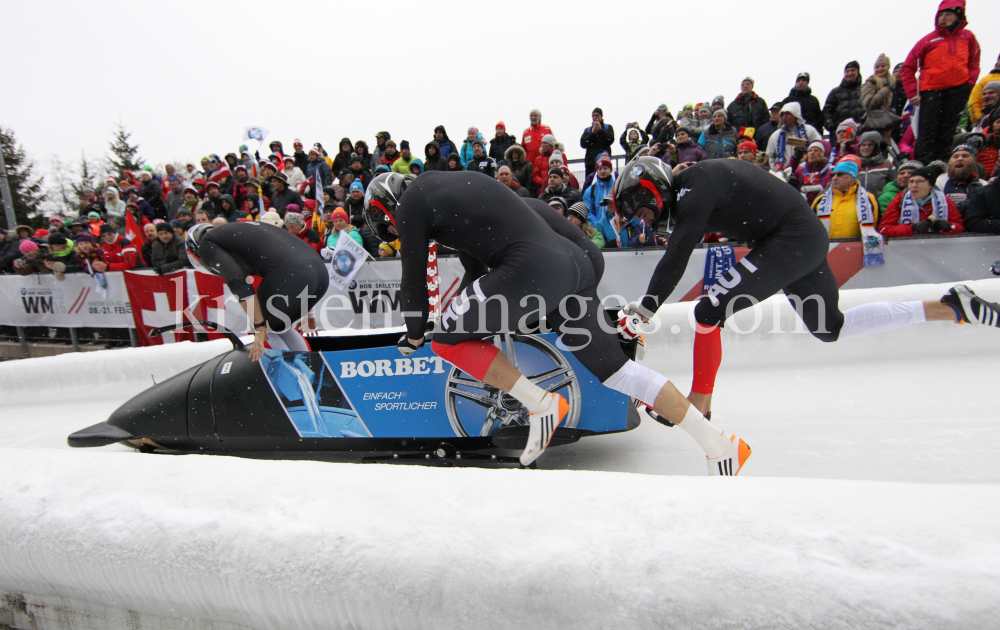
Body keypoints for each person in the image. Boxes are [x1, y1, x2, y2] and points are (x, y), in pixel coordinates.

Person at [363, 170, 752, 473]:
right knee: (619, 373)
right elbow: (477, 270)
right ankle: (720, 444)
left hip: (531, 268)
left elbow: (412, 277)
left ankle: (541, 403)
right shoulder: (457, 191)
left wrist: (415, 332)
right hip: (574, 266)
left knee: (444, 341)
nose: (397, 234)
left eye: (390, 228)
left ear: (388, 207)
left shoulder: (413, 202)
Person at [614, 156, 1000, 428]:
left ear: (653, 188)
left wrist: (646, 309)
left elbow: (676, 255)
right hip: (800, 236)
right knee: (831, 326)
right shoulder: (695, 187)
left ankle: (700, 406)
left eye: (643, 212)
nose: (645, 223)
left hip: (790, 237)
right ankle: (949, 306)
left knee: (708, 311)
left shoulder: (693, 189)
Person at [185, 222, 329, 360]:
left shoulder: (207, 244)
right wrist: (309, 312)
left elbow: (237, 280)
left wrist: (259, 328)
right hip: (320, 274)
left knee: (264, 326)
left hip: (294, 274)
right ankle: (308, 371)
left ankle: (290, 376)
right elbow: (296, 257)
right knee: (279, 326)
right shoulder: (237, 230)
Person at [901, 1, 981, 164]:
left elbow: (974, 61)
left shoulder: (968, 37)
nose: (943, 18)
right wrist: (912, 93)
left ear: (958, 16)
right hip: (931, 92)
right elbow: (908, 67)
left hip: (958, 90)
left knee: (948, 131)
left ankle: (942, 166)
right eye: (941, 15)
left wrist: (969, 83)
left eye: (948, 14)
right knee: (927, 132)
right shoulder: (927, 41)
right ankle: (922, 167)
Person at [879, 163, 965, 237]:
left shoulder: (944, 200)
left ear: (930, 185)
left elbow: (959, 227)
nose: (914, 185)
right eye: (911, 182)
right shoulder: (900, 199)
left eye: (919, 181)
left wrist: (948, 227)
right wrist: (912, 228)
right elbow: (884, 229)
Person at [766, 102, 823, 174]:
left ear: (796, 115)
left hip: (805, 172)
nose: (784, 117)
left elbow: (821, 148)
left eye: (788, 114)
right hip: (783, 174)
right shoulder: (775, 135)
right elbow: (770, 156)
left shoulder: (809, 130)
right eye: (782, 115)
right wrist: (776, 171)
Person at [823, 61, 866, 142]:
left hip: (859, 130)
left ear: (858, 72)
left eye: (853, 70)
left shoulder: (864, 89)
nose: (849, 73)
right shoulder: (835, 92)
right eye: (847, 71)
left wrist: (864, 125)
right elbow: (827, 111)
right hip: (839, 132)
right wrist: (832, 127)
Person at [855, 131, 896, 199]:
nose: (866, 147)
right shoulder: (854, 164)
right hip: (857, 204)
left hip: (879, 204)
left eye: (870, 145)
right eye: (863, 145)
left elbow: (893, 186)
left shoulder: (886, 164)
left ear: (876, 147)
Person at [791, 140, 834, 205]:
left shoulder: (830, 173)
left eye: (816, 150)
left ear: (823, 153)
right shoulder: (800, 170)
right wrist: (794, 159)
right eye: (810, 151)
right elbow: (787, 173)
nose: (812, 153)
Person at [580, 108, 615, 176]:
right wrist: (592, 134)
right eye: (593, 116)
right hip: (590, 163)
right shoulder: (588, 130)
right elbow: (583, 144)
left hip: (604, 161)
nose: (595, 117)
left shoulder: (608, 127)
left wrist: (600, 131)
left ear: (601, 116)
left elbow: (610, 140)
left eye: (597, 115)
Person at [582, 155, 616, 222]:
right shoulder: (590, 190)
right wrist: (599, 226)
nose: (602, 171)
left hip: (616, 227)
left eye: (605, 168)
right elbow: (588, 212)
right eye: (600, 169)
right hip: (597, 229)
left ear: (610, 170)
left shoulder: (617, 187)